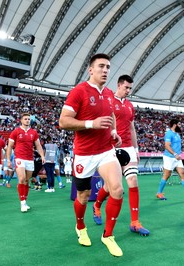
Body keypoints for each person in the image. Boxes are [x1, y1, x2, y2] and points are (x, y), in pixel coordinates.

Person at [59, 53, 124, 257]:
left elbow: (111, 114)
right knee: (83, 196)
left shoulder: (109, 94)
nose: (105, 70)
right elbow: (63, 121)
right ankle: (80, 227)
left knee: (117, 189)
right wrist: (91, 124)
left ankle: (108, 235)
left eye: (108, 67)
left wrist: (113, 131)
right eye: (101, 66)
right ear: (91, 69)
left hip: (105, 150)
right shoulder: (79, 92)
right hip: (84, 153)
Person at [93, 74, 151, 236]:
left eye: (130, 88)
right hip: (111, 148)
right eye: (126, 87)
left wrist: (136, 149)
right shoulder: (108, 99)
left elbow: (132, 128)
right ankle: (97, 206)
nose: (128, 91)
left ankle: (135, 222)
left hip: (128, 148)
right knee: (109, 186)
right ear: (119, 86)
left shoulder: (130, 106)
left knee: (133, 181)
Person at [155, 118, 184, 202]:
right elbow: (167, 146)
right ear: (175, 125)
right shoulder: (169, 133)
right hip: (169, 157)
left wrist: (178, 154)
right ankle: (159, 193)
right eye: (179, 124)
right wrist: (175, 154)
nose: (181, 126)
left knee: (182, 173)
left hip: (177, 158)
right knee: (166, 175)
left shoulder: (177, 134)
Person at [6, 113, 45, 212]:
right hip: (19, 157)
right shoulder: (16, 132)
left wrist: (42, 155)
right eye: (25, 119)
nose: (27, 120)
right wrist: (8, 160)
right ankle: (22, 203)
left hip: (29, 159)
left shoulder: (34, 132)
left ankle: (25, 200)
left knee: (27, 180)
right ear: (21, 120)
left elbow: (38, 145)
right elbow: (10, 146)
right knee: (22, 178)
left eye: (29, 119)